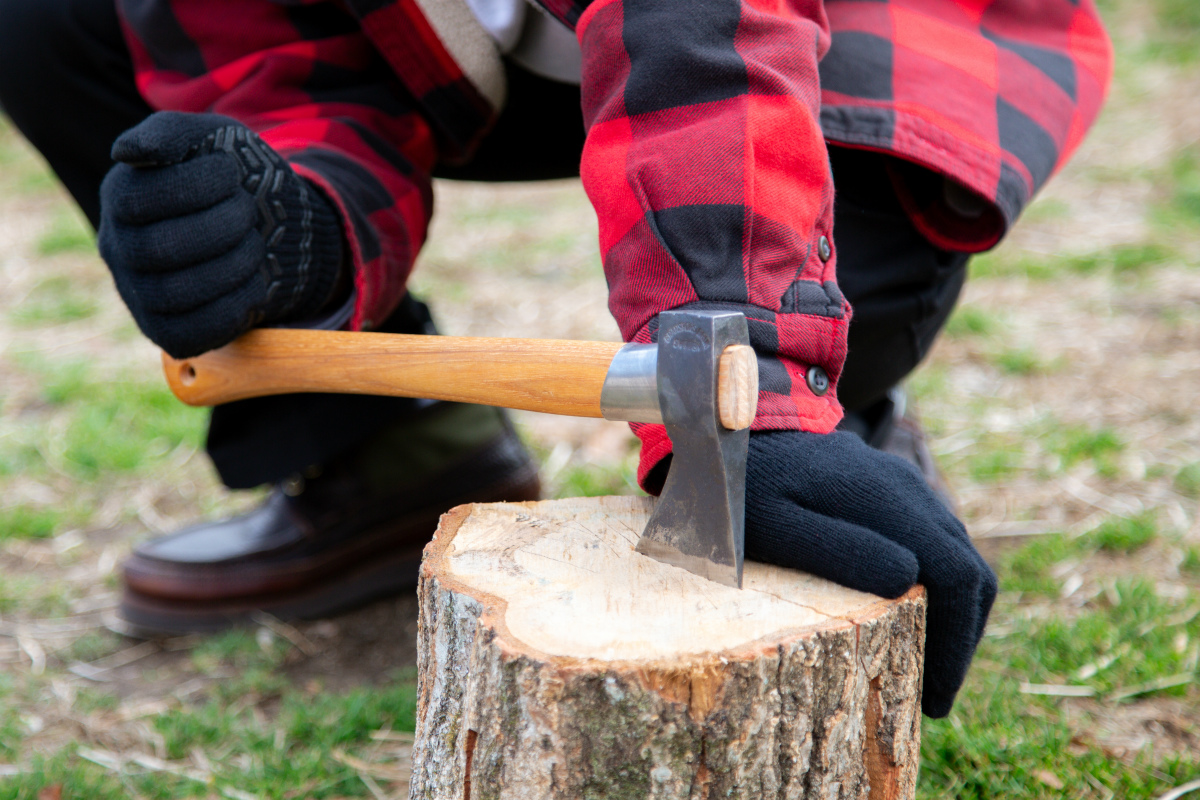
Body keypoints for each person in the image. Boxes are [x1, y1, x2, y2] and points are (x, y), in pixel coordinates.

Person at [0, 0, 1111, 718]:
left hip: (844, 26)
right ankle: (394, 456)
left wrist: (753, 374)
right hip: (485, 44)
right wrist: (285, 230)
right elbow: (292, 73)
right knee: (51, 21)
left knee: (829, 229)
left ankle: (842, 394)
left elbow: (704, 23)